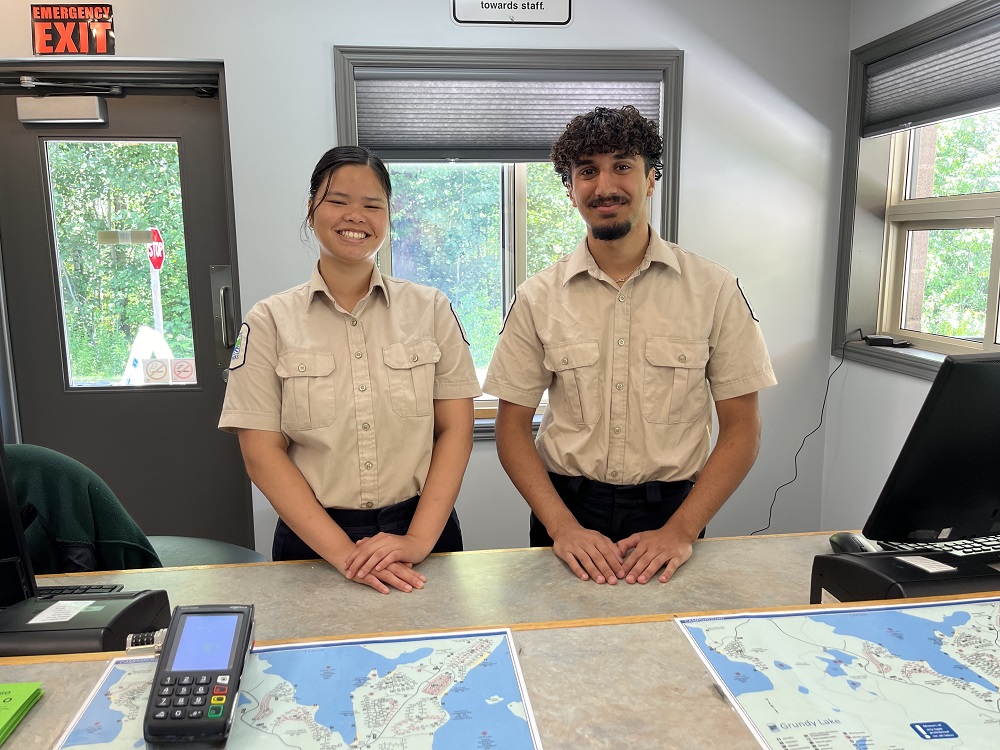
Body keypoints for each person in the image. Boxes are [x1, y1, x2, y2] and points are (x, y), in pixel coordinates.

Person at [484, 106, 776, 586]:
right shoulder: (538, 297)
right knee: (559, 649)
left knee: (668, 651)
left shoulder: (714, 289)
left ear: (651, 178)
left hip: (674, 514)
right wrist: (563, 528)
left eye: (622, 166)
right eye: (587, 171)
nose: (605, 186)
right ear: (571, 188)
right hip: (567, 515)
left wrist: (683, 528)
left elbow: (743, 428)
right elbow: (512, 428)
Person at [220, 146, 481, 594]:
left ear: (387, 215)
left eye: (372, 204)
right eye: (338, 201)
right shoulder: (268, 321)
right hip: (314, 544)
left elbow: (455, 430)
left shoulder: (431, 309)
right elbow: (261, 452)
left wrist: (416, 539)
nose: (355, 216)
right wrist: (346, 555)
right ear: (311, 209)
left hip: (422, 535)